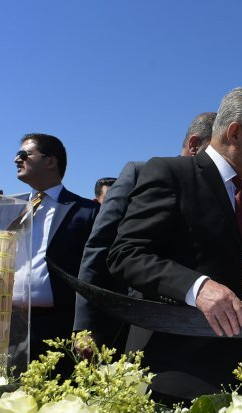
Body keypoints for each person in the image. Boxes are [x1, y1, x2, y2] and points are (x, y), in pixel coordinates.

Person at [107, 89, 242, 401]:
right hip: (173, 369)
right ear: (235, 132)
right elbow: (126, 255)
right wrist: (198, 288)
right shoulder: (172, 174)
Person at [73, 111, 217, 356]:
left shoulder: (221, 194)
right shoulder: (140, 173)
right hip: (126, 321)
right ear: (194, 145)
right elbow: (100, 248)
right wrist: (84, 328)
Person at [9, 133, 99, 369]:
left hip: (58, 326)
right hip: (10, 325)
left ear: (50, 161)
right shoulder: (9, 208)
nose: (16, 160)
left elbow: (94, 273)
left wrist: (85, 328)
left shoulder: (86, 211)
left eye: (24, 154)